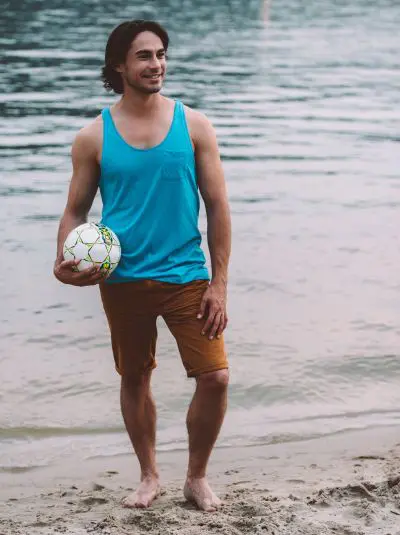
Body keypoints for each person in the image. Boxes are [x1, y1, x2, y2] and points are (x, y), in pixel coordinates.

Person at [53, 20, 231, 513]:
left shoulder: (194, 125)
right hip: (122, 278)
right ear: (119, 65)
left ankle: (196, 477)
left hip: (187, 275)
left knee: (215, 376)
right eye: (144, 56)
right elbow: (75, 210)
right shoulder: (93, 137)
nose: (157, 64)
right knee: (135, 377)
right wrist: (62, 259)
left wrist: (219, 283)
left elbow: (218, 206)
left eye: (161, 54)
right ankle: (149, 475)